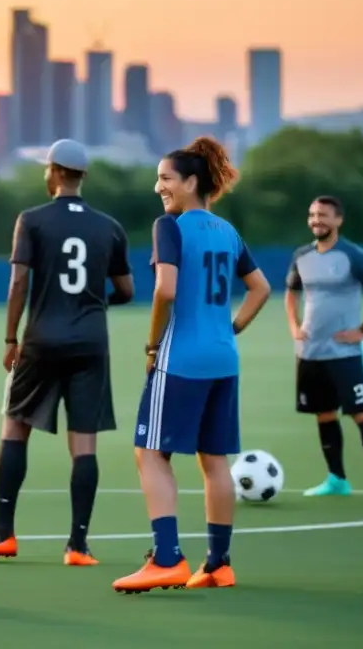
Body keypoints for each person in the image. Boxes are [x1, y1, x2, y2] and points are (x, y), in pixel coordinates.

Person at [112, 137, 271, 594]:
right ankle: (218, 564)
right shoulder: (227, 232)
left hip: (180, 356)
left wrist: (151, 344)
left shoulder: (170, 226)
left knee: (149, 452)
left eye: (165, 178)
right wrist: (233, 326)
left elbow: (165, 289)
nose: (158, 186)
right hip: (224, 357)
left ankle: (166, 559)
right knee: (214, 460)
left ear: (191, 182)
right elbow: (259, 288)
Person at [0, 139, 134, 568]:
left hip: (42, 339)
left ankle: (3, 534)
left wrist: (9, 339)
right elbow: (127, 291)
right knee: (84, 445)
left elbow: (18, 282)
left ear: (55, 172)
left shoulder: (32, 221)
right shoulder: (109, 226)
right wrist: (94, 304)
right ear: (83, 176)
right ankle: (78, 545)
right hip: (91, 344)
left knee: (14, 429)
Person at [285, 196, 363, 501]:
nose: (315, 220)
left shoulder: (352, 255)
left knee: (361, 414)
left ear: (338, 220)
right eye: (311, 215)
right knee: (324, 414)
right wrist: (295, 328)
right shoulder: (302, 255)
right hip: (310, 354)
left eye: (322, 215)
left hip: (344, 354)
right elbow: (291, 293)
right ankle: (337, 479)